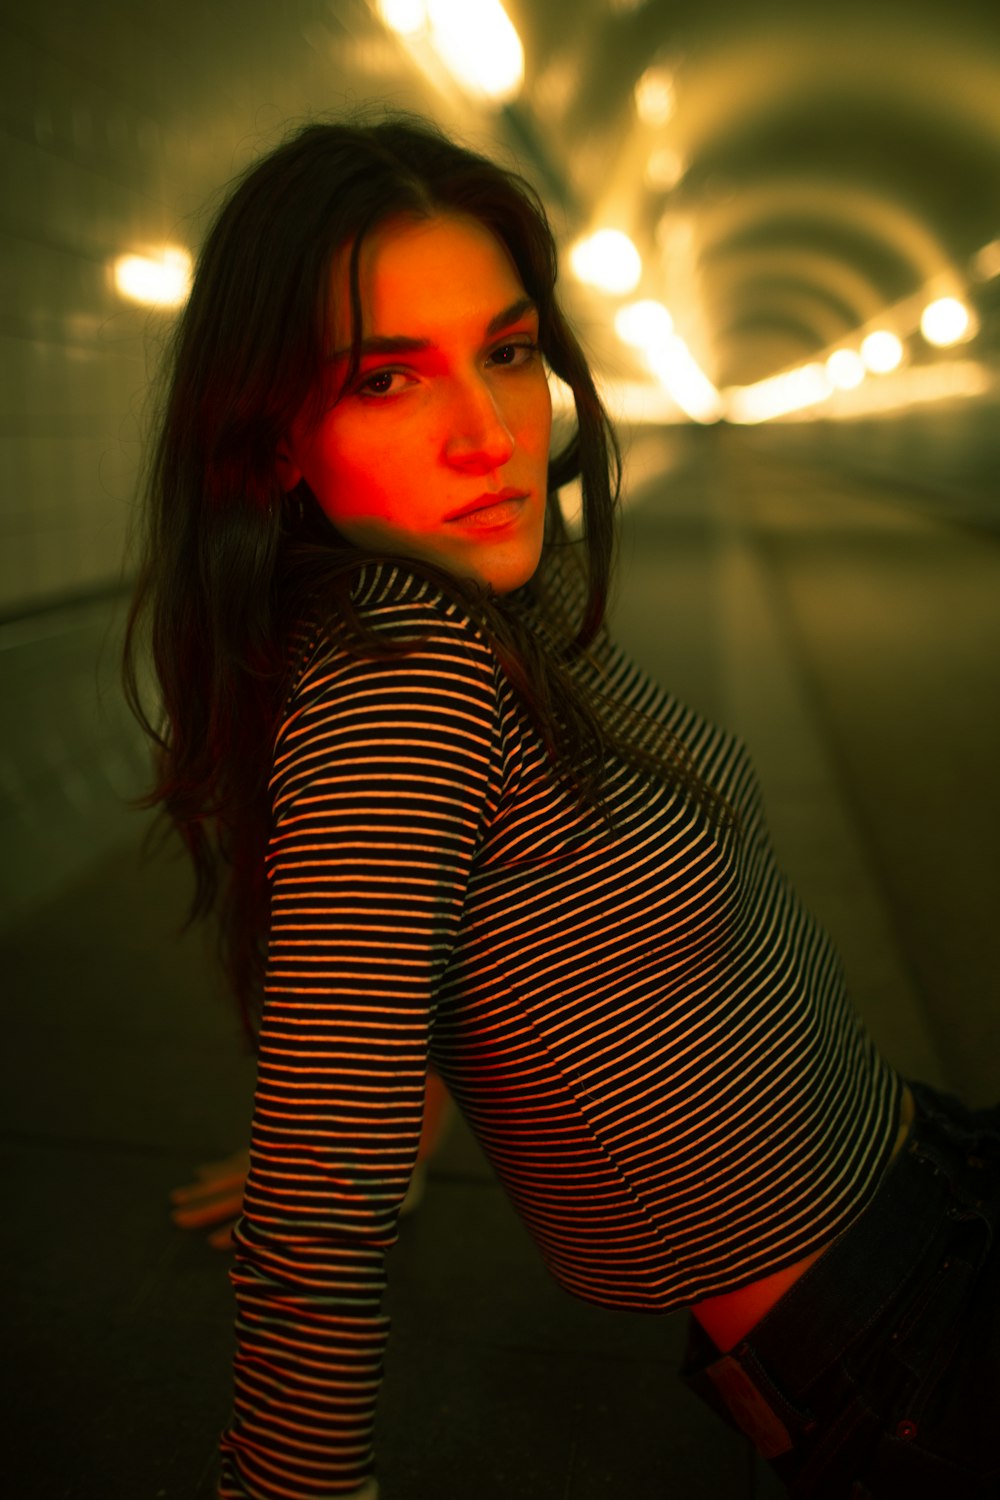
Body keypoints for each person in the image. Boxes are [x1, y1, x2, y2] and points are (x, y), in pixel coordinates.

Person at [124, 112, 999, 1500]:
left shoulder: (494, 603)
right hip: (904, 1347)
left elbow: (472, 919)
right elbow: (316, 1227)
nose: (489, 433)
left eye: (509, 352)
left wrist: (385, 1115)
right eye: (387, 381)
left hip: (936, 1178)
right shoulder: (399, 679)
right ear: (269, 439)